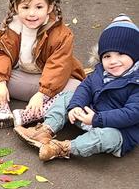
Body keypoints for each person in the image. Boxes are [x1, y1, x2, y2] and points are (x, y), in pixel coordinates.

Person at [14, 14, 139, 161]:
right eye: (107, 56)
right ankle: (45, 129)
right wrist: (76, 105)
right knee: (68, 96)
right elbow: (85, 88)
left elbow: (131, 114)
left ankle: (63, 148)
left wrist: (96, 119)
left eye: (121, 54)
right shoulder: (100, 72)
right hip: (90, 115)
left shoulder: (135, 82)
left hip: (118, 130)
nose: (113, 61)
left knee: (105, 137)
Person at [0, 0, 85, 131]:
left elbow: (58, 67)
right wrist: (0, 83)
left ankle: (28, 115)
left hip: (50, 86)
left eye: (39, 7)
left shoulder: (62, 35)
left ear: (49, 7)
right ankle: (0, 111)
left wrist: (42, 94)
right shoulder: (9, 28)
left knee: (77, 87)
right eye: (25, 7)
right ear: (17, 7)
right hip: (23, 80)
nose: (31, 13)